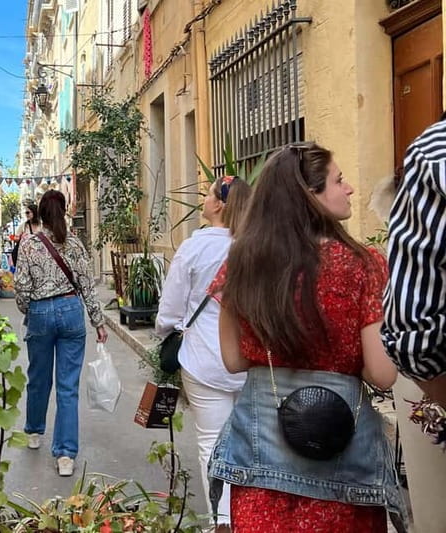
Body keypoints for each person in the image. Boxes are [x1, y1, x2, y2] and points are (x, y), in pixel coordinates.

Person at [209, 143, 404, 532]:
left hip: (260, 472)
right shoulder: (363, 265)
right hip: (341, 473)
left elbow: (232, 360)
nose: (348, 189)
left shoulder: (243, 264)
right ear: (309, 194)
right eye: (338, 180)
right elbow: (382, 374)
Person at [155, 174, 251, 533]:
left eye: (209, 194)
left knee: (211, 440)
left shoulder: (194, 248)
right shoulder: (254, 245)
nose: (205, 199)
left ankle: (221, 519)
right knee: (247, 438)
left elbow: (171, 308)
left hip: (204, 358)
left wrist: (166, 333)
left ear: (220, 204)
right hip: (247, 358)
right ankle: (248, 515)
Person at [14, 190, 108, 477]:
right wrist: (98, 321)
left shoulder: (29, 244)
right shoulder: (76, 244)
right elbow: (87, 286)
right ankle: (65, 455)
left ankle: (34, 431)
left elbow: (21, 287)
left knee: (38, 377)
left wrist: (27, 310)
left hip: (41, 312)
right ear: (65, 211)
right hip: (70, 310)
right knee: (68, 386)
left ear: (40, 214)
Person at [382, 118, 446, 407]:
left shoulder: (435, 152)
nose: (350, 189)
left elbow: (413, 337)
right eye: (338, 180)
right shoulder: (356, 264)